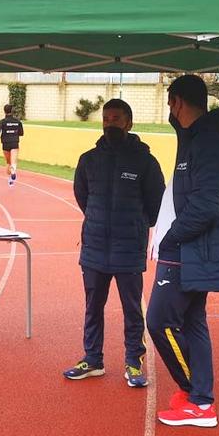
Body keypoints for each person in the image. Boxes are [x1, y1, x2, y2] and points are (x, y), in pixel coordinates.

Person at [147, 74, 219, 428]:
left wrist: (171, 237)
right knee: (192, 322)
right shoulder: (195, 138)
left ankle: (197, 395)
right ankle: (199, 399)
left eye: (170, 104)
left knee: (159, 321)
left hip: (187, 248)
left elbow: (208, 205)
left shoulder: (208, 143)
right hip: (188, 248)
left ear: (176, 102)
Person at [64, 98, 166, 388]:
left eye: (116, 118)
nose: (110, 123)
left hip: (128, 248)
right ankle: (92, 359)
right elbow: (83, 196)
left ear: (129, 123)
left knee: (132, 309)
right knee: (92, 307)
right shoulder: (89, 160)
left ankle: (134, 361)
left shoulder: (145, 162)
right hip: (94, 247)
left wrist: (134, 223)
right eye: (106, 119)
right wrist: (99, 220)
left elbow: (156, 204)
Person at [0, 104, 24, 186]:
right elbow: (21, 133)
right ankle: (13, 172)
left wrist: (3, 132)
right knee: (13, 161)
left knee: (8, 162)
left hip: (5, 143)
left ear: (4, 111)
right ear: (12, 111)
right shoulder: (18, 122)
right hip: (14, 142)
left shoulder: (2, 122)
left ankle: (11, 179)